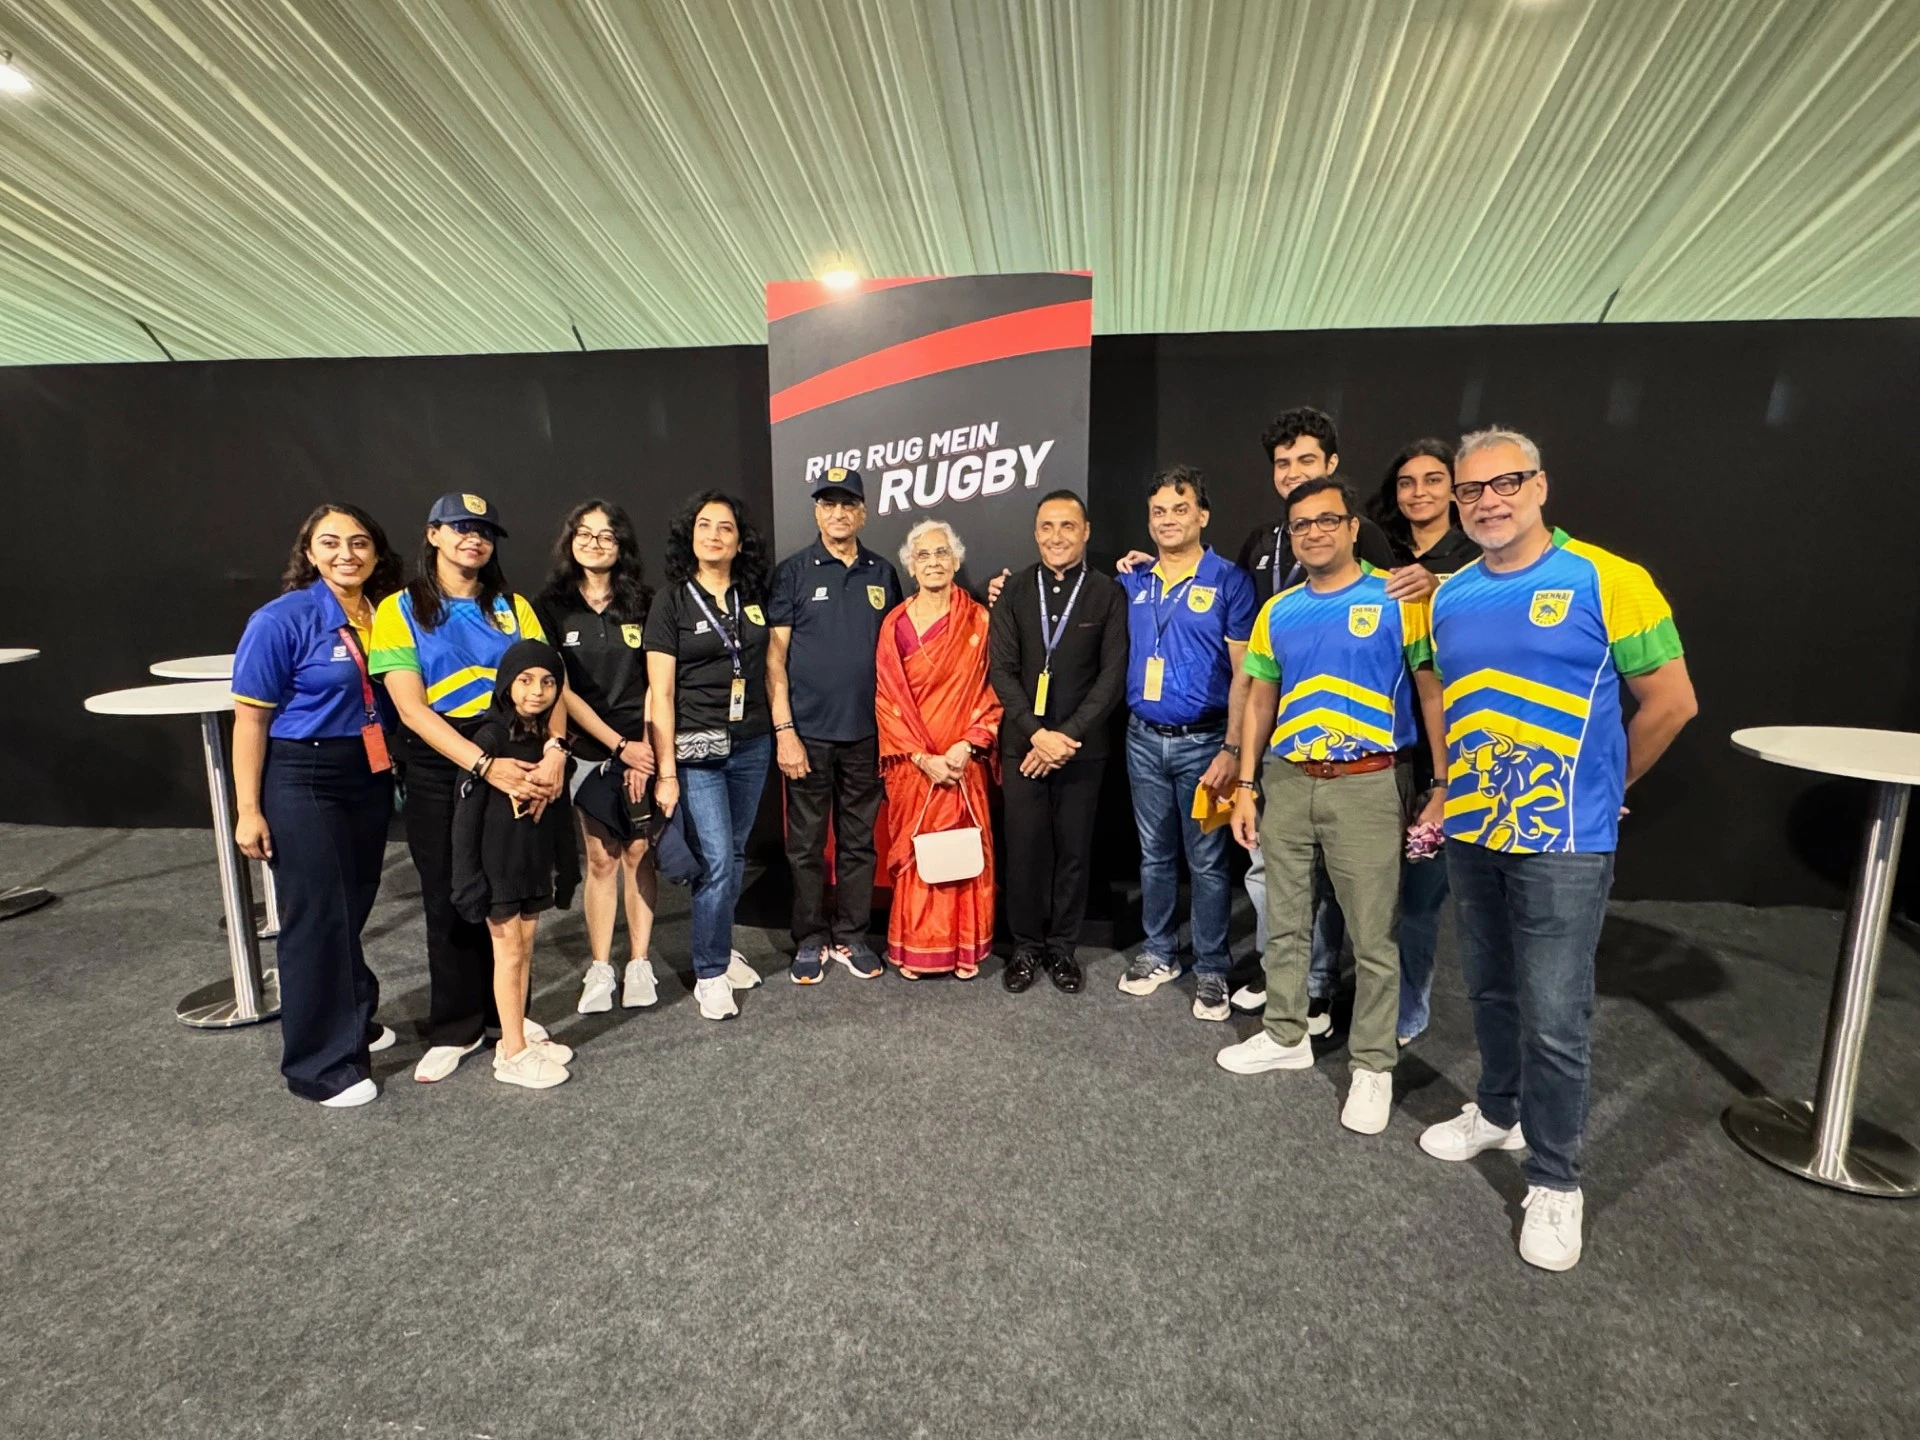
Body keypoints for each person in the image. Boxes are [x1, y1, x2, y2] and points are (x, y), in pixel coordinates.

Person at [1417, 427, 1696, 1272]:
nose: (1488, 501)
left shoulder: (1611, 580)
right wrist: (1443, 786)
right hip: (1474, 829)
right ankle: (1497, 1113)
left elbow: (1672, 703)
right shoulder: (1451, 595)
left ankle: (1556, 1179)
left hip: (1564, 842)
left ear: (1541, 485)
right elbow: (1444, 701)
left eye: (1506, 483)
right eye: (1472, 491)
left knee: (1555, 1011)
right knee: (1493, 990)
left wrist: (1607, 794)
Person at [1213, 478, 1448, 1133]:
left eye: (1326, 521)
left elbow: (1430, 692)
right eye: (1301, 526)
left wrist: (1444, 781)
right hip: (1287, 780)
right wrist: (1248, 785)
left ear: (1351, 529)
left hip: (1370, 783)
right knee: (1285, 918)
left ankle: (1373, 1065)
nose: (1313, 533)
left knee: (1374, 934)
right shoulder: (1278, 611)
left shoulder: (1397, 598)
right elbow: (1259, 699)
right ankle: (1286, 1034)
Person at [370, 493, 567, 1084]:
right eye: (459, 527)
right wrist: (484, 766)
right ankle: (456, 1026)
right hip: (445, 763)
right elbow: (410, 708)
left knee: (516, 891)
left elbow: (551, 680)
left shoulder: (514, 607)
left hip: (522, 754)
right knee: (454, 891)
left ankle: (508, 1020)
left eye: (483, 531)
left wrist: (556, 751)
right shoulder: (399, 608)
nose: (472, 539)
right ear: (432, 534)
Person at [231, 504, 403, 1107]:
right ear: (309, 551)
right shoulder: (283, 619)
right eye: (330, 543)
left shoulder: (388, 615)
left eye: (359, 543)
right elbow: (250, 720)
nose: (346, 554)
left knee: (350, 905)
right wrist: (248, 809)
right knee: (315, 916)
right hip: (304, 774)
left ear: (377, 553)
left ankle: (354, 1014)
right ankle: (318, 1065)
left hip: (369, 771)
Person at [1115, 466, 1256, 1020]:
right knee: (1153, 855)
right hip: (1143, 739)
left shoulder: (1229, 581)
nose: (1168, 520)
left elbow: (1246, 673)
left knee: (1209, 863)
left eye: (1180, 509)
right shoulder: (1136, 579)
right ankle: (1158, 952)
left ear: (1202, 515)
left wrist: (1233, 748)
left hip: (1206, 744)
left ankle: (1213, 967)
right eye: (1158, 512)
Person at [987, 490, 1128, 993]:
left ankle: (1062, 948)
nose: (1056, 537)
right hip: (1023, 746)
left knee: (1073, 853)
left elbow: (1113, 676)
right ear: (1035, 532)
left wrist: (1065, 736)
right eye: (1047, 527)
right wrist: (1037, 734)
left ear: (1086, 531)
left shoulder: (1108, 594)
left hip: (1081, 749)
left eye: (1068, 526)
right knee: (1023, 851)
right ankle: (1025, 947)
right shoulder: (1015, 591)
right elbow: (1001, 671)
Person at [766, 467, 902, 984]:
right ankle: (810, 938)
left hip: (867, 735)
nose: (838, 513)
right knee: (803, 846)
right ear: (816, 511)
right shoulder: (794, 572)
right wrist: (785, 731)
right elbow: (774, 657)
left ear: (863, 512)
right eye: (828, 504)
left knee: (859, 842)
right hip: (807, 735)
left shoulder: (883, 572)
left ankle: (851, 934)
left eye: (848, 504)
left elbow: (897, 652)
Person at [1366, 440, 1480, 1043]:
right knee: (1364, 890)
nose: (1419, 493)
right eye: (1406, 483)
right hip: (1379, 743)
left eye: (1433, 481)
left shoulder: (1482, 557)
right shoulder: (1378, 553)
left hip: (1447, 742)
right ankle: (1361, 994)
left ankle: (1408, 1010)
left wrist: (1435, 584)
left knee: (1417, 896)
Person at [646, 491, 774, 1021]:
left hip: (751, 743)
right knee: (718, 859)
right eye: (704, 525)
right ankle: (709, 970)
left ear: (739, 541)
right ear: (690, 536)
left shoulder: (753, 595)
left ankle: (721, 946)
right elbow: (661, 693)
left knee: (738, 854)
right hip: (695, 750)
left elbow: (770, 666)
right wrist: (666, 771)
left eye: (725, 527)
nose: (714, 534)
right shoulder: (672, 600)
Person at [535, 501, 661, 1015]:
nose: (594, 543)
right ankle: (600, 968)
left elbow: (659, 681)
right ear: (570, 541)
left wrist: (644, 749)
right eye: (584, 534)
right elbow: (557, 689)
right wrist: (616, 746)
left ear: (621, 545)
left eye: (606, 536)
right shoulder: (551, 605)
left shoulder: (646, 602)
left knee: (639, 853)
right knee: (602, 858)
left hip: (644, 749)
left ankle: (639, 963)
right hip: (589, 752)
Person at [450, 641, 580, 1089]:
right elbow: (464, 817)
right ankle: (512, 1053)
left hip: (531, 863)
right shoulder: (488, 738)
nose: (537, 691)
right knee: (508, 954)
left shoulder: (548, 742)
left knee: (524, 949)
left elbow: (559, 813)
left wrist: (565, 869)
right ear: (507, 685)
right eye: (525, 681)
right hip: (497, 867)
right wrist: (467, 881)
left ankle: (516, 1034)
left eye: (547, 682)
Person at [876, 520, 1002, 979]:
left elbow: (992, 690)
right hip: (915, 766)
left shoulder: (979, 621)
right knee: (917, 857)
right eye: (923, 555)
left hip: (961, 760)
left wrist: (967, 746)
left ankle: (963, 950)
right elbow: (886, 698)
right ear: (910, 565)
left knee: (964, 856)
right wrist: (919, 757)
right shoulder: (894, 624)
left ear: (956, 560)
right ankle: (914, 950)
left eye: (941, 553)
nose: (933, 562)